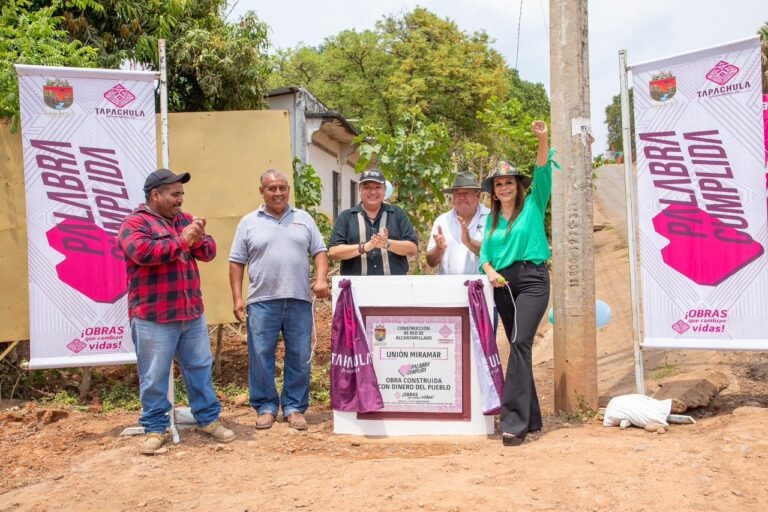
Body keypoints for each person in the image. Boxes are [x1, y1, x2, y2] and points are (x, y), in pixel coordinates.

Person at [118, 168, 235, 455]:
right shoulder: (134, 223)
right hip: (153, 316)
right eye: (175, 194)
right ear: (155, 195)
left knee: (199, 368)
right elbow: (143, 253)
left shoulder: (185, 219)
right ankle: (155, 428)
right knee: (154, 375)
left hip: (190, 312)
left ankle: (207, 420)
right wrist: (184, 240)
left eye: (182, 194)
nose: (181, 199)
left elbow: (208, 253)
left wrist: (199, 237)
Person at [229, 169, 329, 431]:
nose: (278, 193)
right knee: (261, 355)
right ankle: (265, 407)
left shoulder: (303, 219)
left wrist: (320, 279)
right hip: (262, 301)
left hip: (298, 300)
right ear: (262, 191)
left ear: (288, 191)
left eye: (283, 188)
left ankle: (294, 407)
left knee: (299, 355)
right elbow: (237, 263)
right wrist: (238, 298)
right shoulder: (249, 222)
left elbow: (319, 252)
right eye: (272, 188)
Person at [478, 120, 554, 447]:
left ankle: (512, 422)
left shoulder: (534, 205)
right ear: (493, 191)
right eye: (499, 184)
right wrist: (489, 270)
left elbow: (542, 170)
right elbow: (484, 254)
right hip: (503, 285)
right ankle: (533, 417)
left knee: (521, 342)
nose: (504, 188)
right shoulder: (492, 221)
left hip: (533, 279)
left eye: (509, 183)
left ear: (517, 186)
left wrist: (543, 138)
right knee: (516, 345)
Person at [328, 169, 418, 275]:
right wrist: (364, 247)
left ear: (384, 191)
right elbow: (333, 252)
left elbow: (412, 249)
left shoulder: (397, 214)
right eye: (367, 188)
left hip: (394, 287)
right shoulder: (346, 217)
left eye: (378, 187)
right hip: (357, 288)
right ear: (360, 190)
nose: (373, 192)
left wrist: (387, 243)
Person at [426, 171, 489, 275]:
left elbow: (496, 255)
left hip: (481, 287)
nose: (462, 197)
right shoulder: (442, 221)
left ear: (478, 195)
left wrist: (469, 242)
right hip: (448, 287)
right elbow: (431, 262)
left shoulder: (491, 218)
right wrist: (439, 248)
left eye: (466, 193)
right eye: (457, 193)